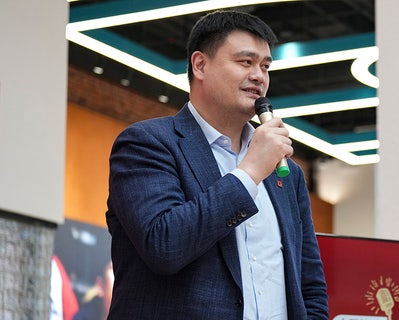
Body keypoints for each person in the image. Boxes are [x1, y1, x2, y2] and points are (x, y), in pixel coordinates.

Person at [105, 10, 329, 319]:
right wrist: (249, 173)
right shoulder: (147, 144)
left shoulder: (286, 173)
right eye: (245, 62)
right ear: (200, 64)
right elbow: (164, 245)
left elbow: (309, 283)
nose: (259, 76)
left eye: (265, 66)